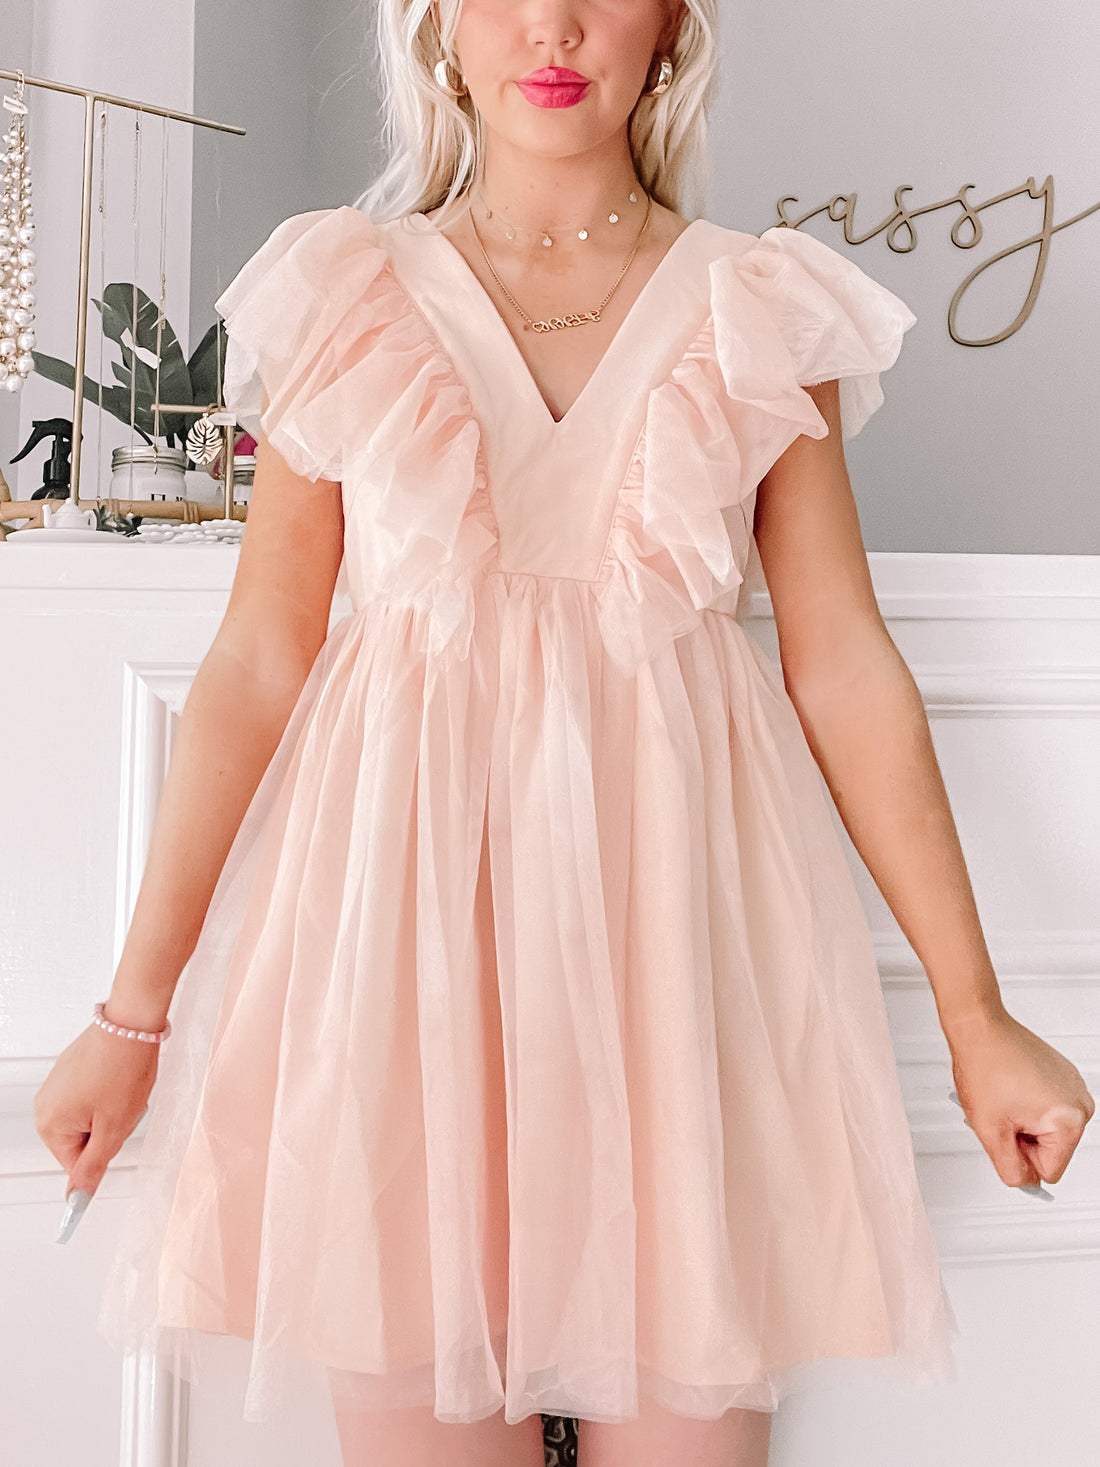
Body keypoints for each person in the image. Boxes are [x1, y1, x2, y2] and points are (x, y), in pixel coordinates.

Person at [34, 1, 1095, 1465]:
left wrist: (978, 1022)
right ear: (439, 27)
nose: (553, 24)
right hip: (400, 972)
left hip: (676, 977)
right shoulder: (345, 292)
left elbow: (844, 666)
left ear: (671, 25)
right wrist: (129, 1021)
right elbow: (259, 661)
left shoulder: (756, 308)